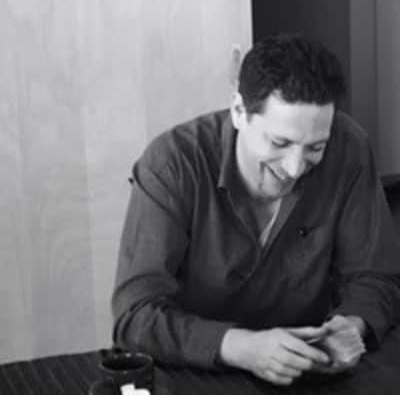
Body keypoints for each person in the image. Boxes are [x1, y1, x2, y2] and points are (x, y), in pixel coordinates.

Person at [111, 33, 400, 387]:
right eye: (280, 142)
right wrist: (243, 347)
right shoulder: (173, 164)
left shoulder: (349, 148)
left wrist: (352, 326)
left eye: (315, 148)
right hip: (192, 371)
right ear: (238, 112)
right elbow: (135, 315)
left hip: (307, 369)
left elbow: (376, 278)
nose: (295, 168)